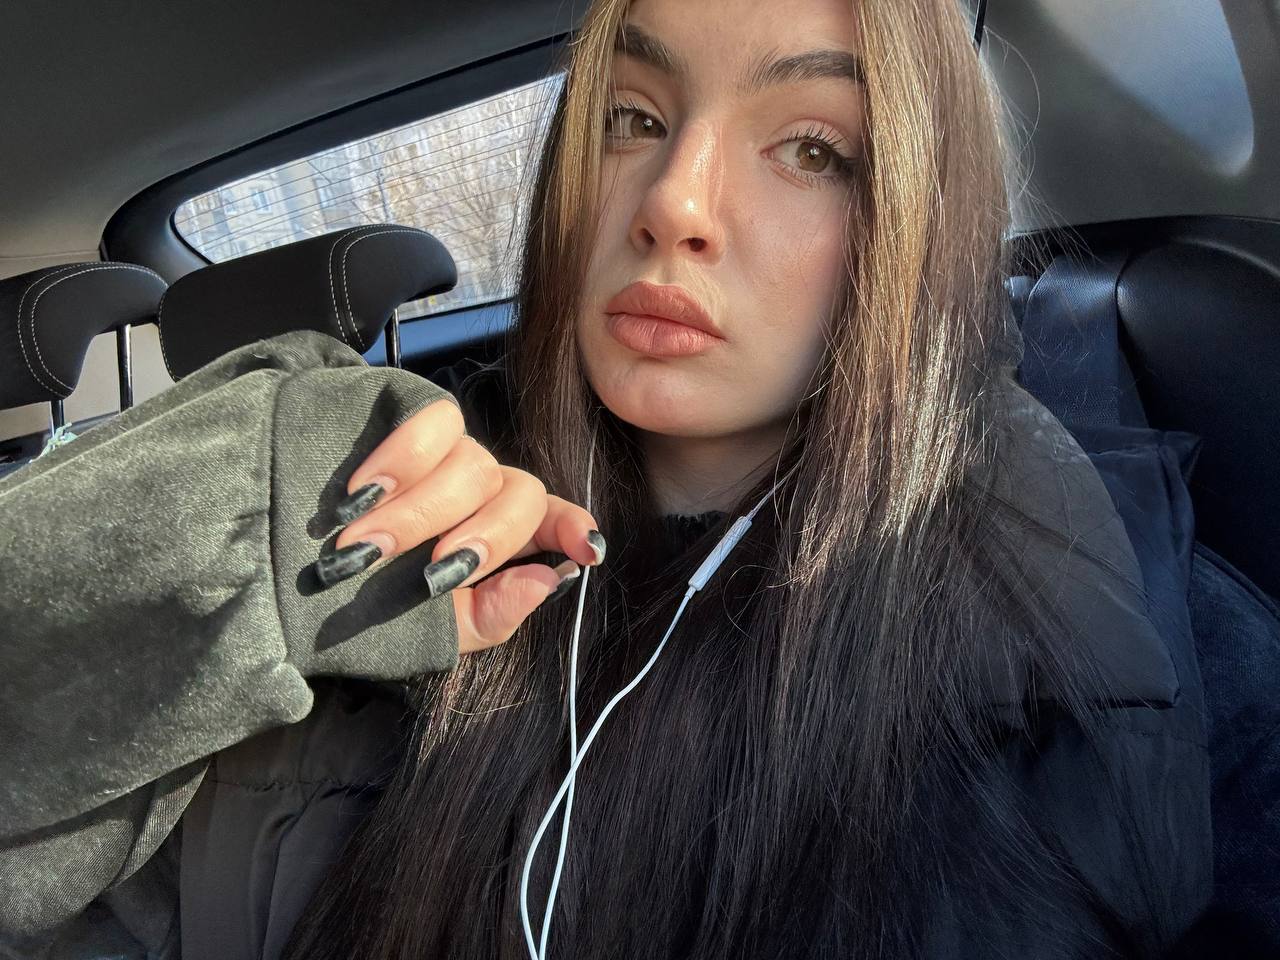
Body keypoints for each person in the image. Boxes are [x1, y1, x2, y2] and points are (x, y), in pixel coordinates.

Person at [0, 0, 1211, 957]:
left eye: (810, 149)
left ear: (915, 226)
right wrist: (221, 534)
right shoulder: (359, 509)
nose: (672, 202)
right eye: (631, 117)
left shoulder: (1027, 665)